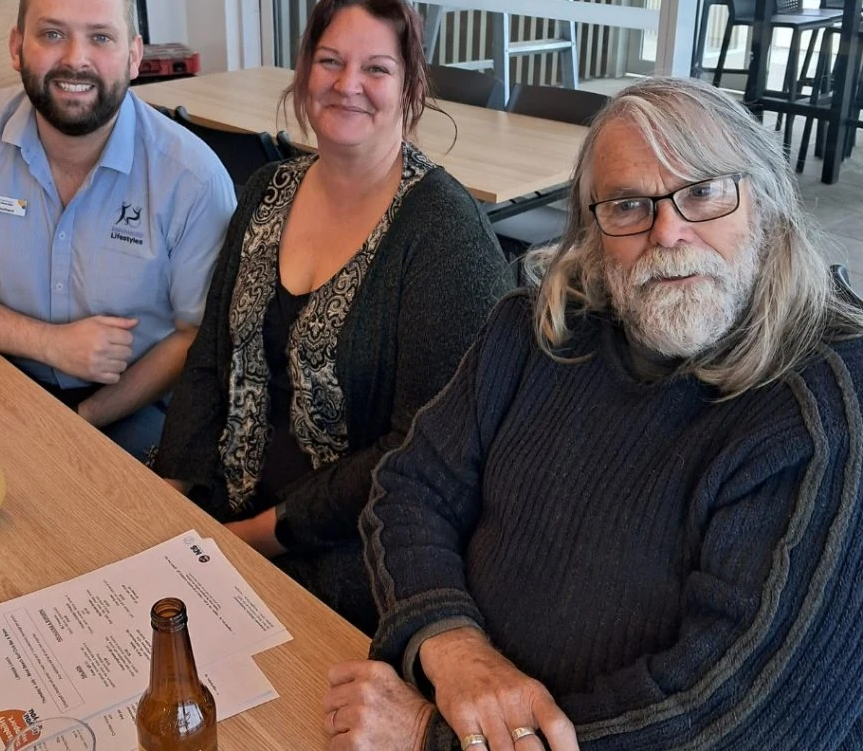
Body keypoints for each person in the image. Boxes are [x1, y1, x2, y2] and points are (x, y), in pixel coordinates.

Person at [327, 77, 863, 750]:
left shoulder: (825, 419)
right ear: (590, 228)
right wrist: (452, 644)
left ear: (767, 205)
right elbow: (408, 489)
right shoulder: (536, 331)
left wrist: (430, 737)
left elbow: (736, 723)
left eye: (703, 192)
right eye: (630, 204)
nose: (669, 231)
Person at [153, 0, 512, 631]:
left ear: (410, 89)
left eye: (377, 68)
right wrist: (174, 492)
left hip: (350, 552)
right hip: (223, 508)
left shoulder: (442, 233)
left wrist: (257, 536)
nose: (349, 83)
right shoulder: (267, 191)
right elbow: (211, 356)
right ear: (304, 72)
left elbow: (417, 450)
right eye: (330, 61)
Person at [0, 0, 235, 461]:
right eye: (52, 34)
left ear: (135, 56)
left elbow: (196, 338)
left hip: (133, 405)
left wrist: (81, 421)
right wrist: (49, 344)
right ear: (17, 47)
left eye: (101, 37)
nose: (75, 58)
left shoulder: (192, 178)